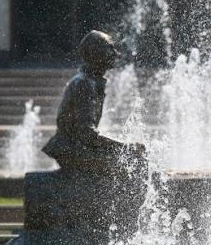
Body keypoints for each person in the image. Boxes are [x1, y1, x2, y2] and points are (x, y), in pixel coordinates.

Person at [42, 30, 147, 176]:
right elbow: (87, 134)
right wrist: (124, 147)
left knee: (134, 159)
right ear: (96, 53)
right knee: (135, 161)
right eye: (110, 48)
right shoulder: (85, 84)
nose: (116, 54)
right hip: (71, 152)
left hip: (76, 148)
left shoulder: (89, 81)